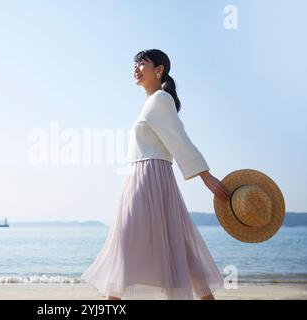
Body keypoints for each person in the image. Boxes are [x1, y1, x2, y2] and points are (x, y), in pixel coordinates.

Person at [80, 49, 231, 300]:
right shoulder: (153, 102)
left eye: (142, 64)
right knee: (177, 247)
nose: (136, 68)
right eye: (135, 64)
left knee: (126, 247)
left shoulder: (160, 99)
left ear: (159, 70)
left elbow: (180, 140)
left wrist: (207, 177)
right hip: (145, 178)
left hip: (149, 179)